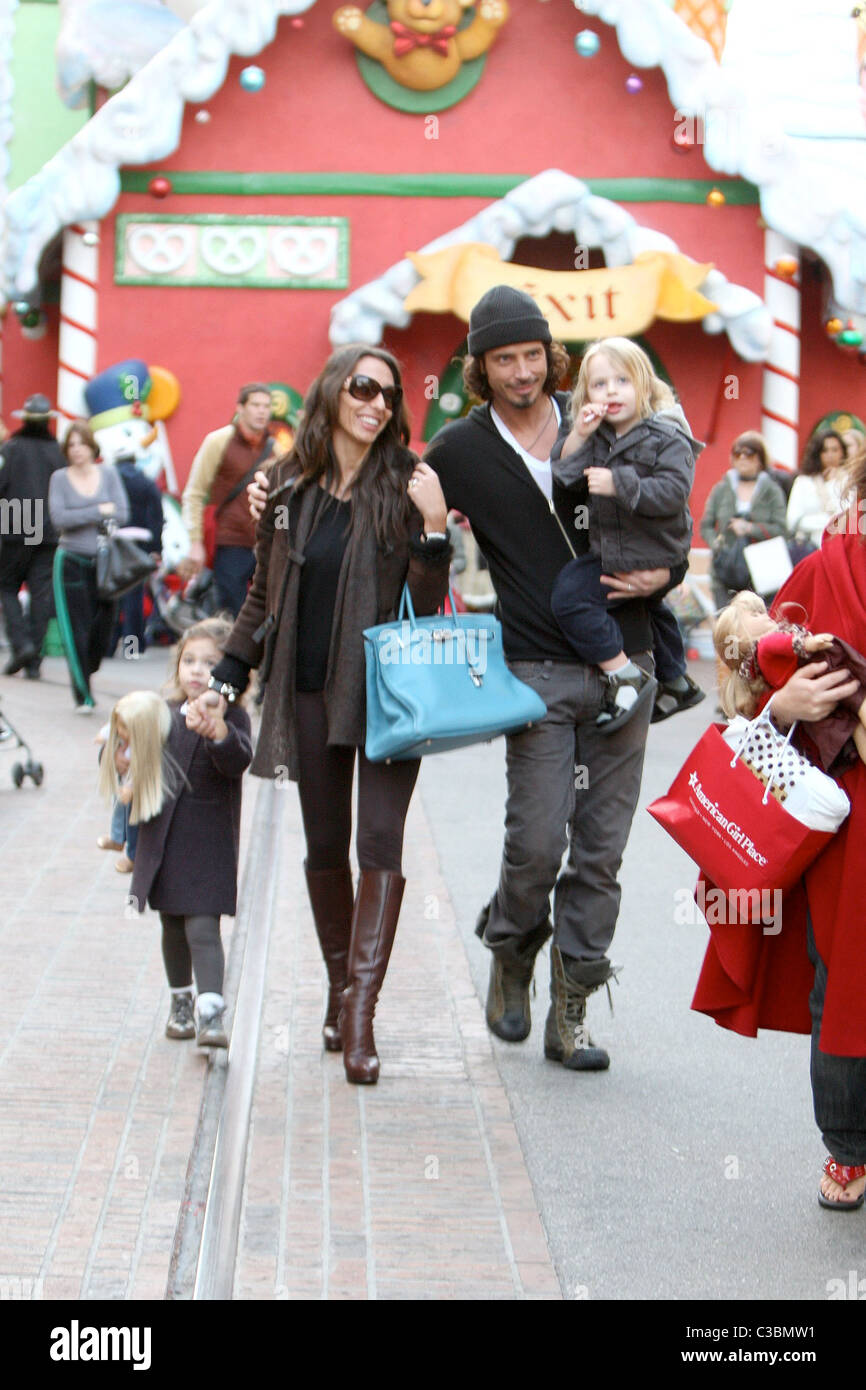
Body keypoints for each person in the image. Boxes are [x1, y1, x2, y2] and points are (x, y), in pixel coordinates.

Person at [420, 288, 686, 1071]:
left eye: (533, 355)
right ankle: (511, 944)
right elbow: (393, 518)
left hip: (625, 662)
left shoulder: (600, 413)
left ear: (551, 357)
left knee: (600, 850)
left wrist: (666, 574)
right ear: (480, 367)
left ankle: (570, 1013)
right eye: (504, 359)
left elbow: (672, 510)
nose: (523, 371)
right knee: (536, 840)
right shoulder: (460, 449)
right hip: (532, 666)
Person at [205, 346, 451, 1085]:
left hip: (385, 695)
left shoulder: (406, 483)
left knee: (379, 843)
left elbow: (427, 599)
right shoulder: (283, 487)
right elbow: (263, 596)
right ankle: (340, 986)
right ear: (333, 394)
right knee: (324, 845)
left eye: (388, 394)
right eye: (362, 388)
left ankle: (361, 1017)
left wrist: (434, 528)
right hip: (306, 690)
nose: (377, 404)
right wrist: (225, 676)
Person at [693, 452, 866, 1209]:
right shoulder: (831, 567)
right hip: (848, 812)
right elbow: (749, 666)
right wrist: (785, 704)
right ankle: (849, 1146)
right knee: (846, 974)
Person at [549, 337, 704, 732]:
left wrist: (620, 483)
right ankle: (675, 679)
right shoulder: (599, 435)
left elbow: (673, 493)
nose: (611, 390)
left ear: (644, 386)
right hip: (620, 547)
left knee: (569, 596)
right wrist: (579, 436)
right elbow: (566, 477)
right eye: (600, 384)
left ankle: (622, 673)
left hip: (650, 551)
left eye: (622, 380)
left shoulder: (667, 437)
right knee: (651, 607)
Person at [120, 620, 252, 1047]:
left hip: (208, 843)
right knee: (172, 927)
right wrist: (119, 756)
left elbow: (238, 760)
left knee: (202, 928)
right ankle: (181, 1003)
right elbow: (140, 755)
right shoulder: (163, 712)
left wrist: (219, 734)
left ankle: (211, 1012)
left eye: (211, 663)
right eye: (189, 660)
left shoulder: (233, 716)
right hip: (166, 841)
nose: (197, 671)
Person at [713, 589, 866, 769]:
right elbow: (786, 644)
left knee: (853, 727)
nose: (766, 616)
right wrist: (809, 643)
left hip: (819, 701)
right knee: (859, 706)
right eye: (755, 615)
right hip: (824, 680)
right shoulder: (765, 646)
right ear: (740, 636)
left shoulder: (755, 668)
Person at [48, 421, 129, 712]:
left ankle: (89, 667)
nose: (77, 450)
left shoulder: (107, 474)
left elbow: (121, 511)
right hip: (70, 561)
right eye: (71, 445)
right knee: (76, 629)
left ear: (91, 446)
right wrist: (97, 510)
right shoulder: (59, 478)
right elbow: (59, 519)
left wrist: (81, 514)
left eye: (81, 443)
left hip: (105, 562)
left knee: (103, 627)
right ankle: (83, 695)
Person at [181, 383, 276, 616]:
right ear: (240, 408)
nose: (262, 411)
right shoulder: (218, 441)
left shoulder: (277, 448)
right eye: (255, 405)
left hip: (266, 543)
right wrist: (195, 542)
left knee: (266, 612)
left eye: (266, 406)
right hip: (230, 542)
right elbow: (194, 493)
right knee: (232, 614)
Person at [0, 393, 65, 678]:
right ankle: (34, 659)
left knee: (6, 586)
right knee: (41, 594)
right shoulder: (59, 453)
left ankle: (22, 643)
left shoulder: (10, 449)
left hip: (16, 524)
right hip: (50, 530)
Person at [699, 431, 788, 611]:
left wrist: (750, 528)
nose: (743, 459)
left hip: (761, 568)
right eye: (738, 454)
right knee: (725, 623)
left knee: (759, 624)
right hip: (725, 567)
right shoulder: (722, 488)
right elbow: (706, 524)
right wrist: (716, 543)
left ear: (760, 459)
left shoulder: (771, 490)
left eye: (749, 454)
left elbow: (782, 529)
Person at [113, 449, 164, 657]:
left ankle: (107, 647)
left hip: (114, 541)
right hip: (141, 542)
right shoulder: (146, 483)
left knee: (112, 593)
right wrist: (156, 549)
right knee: (134, 596)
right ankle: (132, 647)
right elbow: (156, 518)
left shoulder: (111, 480)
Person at [786, 429, 850, 553]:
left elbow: (850, 517)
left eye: (835, 450)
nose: (830, 455)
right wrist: (829, 522)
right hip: (809, 548)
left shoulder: (850, 481)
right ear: (817, 453)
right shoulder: (803, 482)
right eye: (825, 450)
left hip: (841, 547)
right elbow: (793, 521)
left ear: (842, 452)